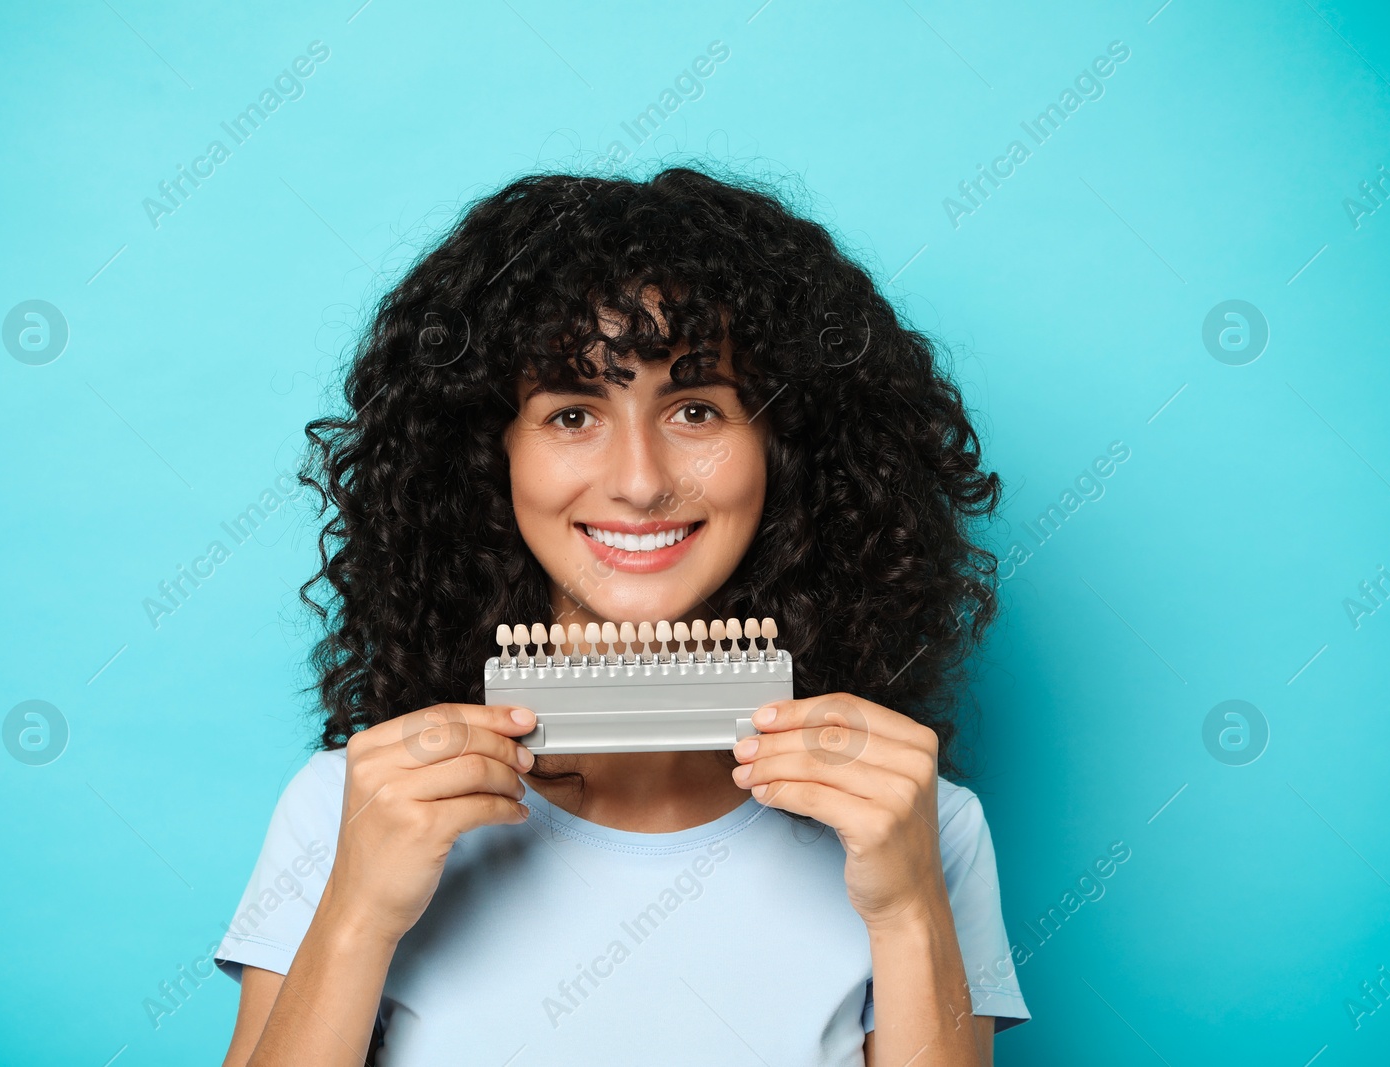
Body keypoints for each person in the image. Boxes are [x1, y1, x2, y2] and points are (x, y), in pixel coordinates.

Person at [214, 165, 1030, 1066]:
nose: (640, 482)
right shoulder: (348, 811)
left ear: (785, 452)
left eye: (694, 408)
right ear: (491, 460)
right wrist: (358, 910)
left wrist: (910, 907)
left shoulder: (920, 823)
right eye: (572, 414)